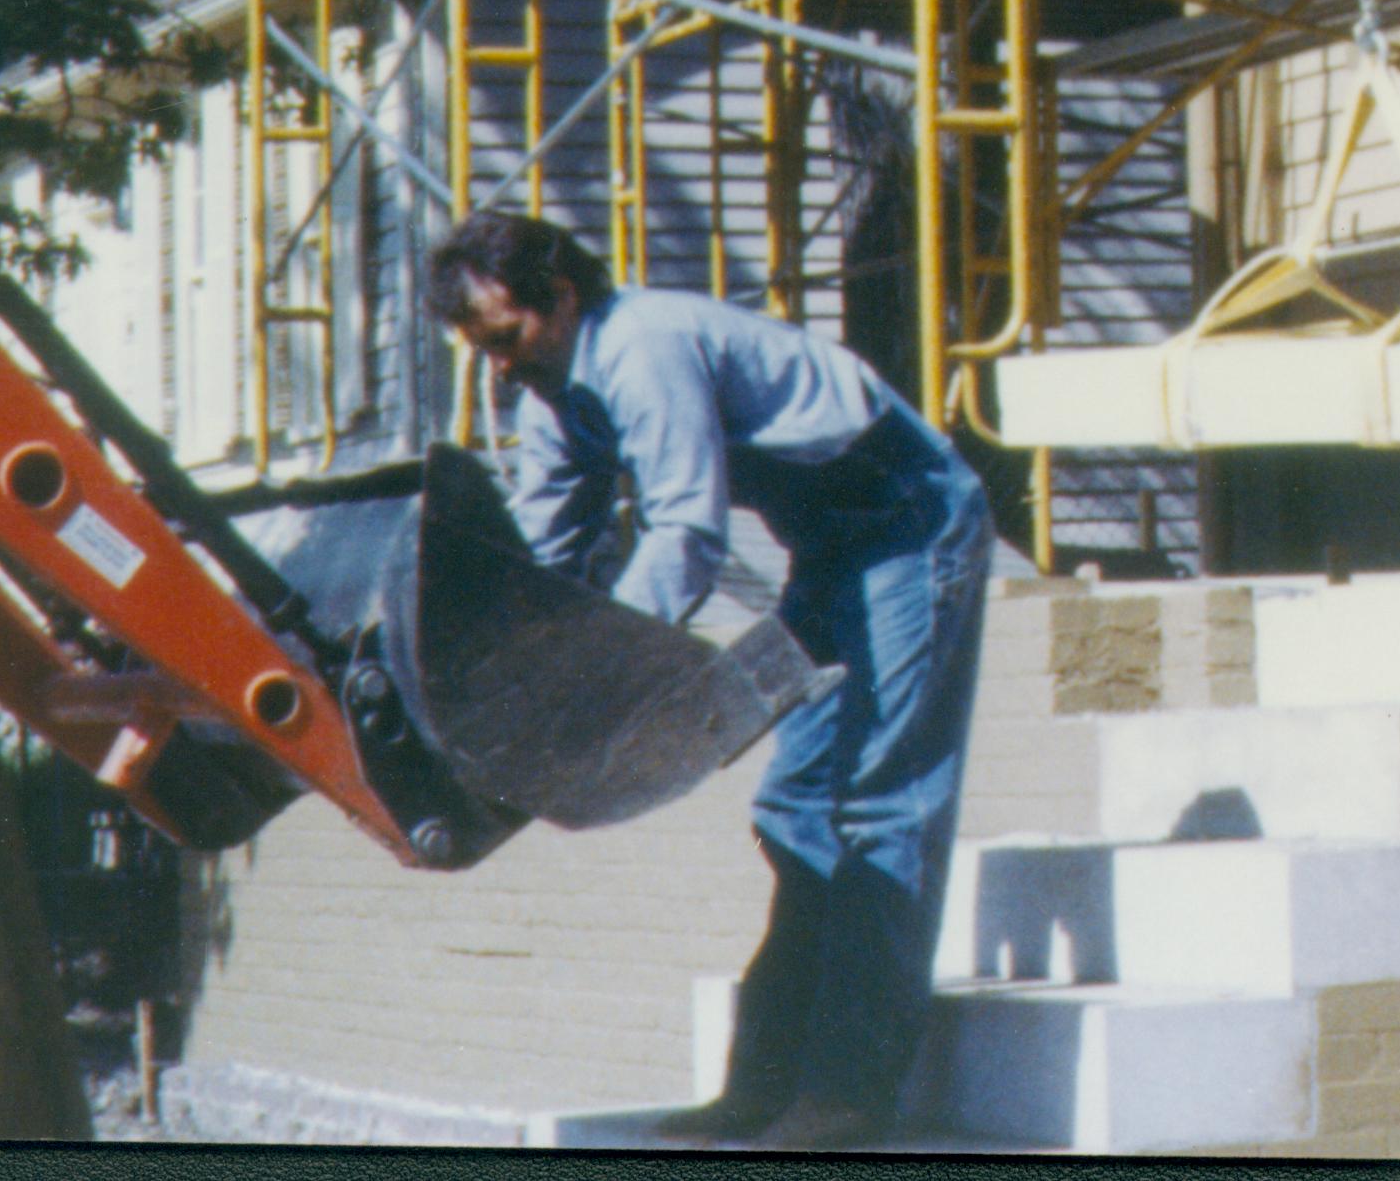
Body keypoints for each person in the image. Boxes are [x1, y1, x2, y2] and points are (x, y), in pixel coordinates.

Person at [425, 209, 992, 1150]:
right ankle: (765, 1083)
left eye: (506, 337)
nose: (499, 366)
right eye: (479, 350)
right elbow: (543, 556)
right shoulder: (556, 396)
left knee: (882, 804)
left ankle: (848, 1091)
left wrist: (606, 672)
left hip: (910, 527)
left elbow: (686, 531)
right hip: (831, 554)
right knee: (795, 804)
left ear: (560, 298)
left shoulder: (643, 345)